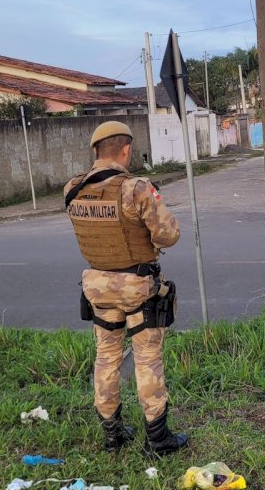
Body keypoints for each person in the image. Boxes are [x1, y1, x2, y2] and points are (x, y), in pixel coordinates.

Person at [64, 121, 188, 455]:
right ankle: (158, 439)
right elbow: (169, 236)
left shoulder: (72, 189)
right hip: (136, 286)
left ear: (95, 151)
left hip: (97, 286)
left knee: (106, 356)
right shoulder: (136, 188)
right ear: (126, 150)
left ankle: (112, 434)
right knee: (147, 359)